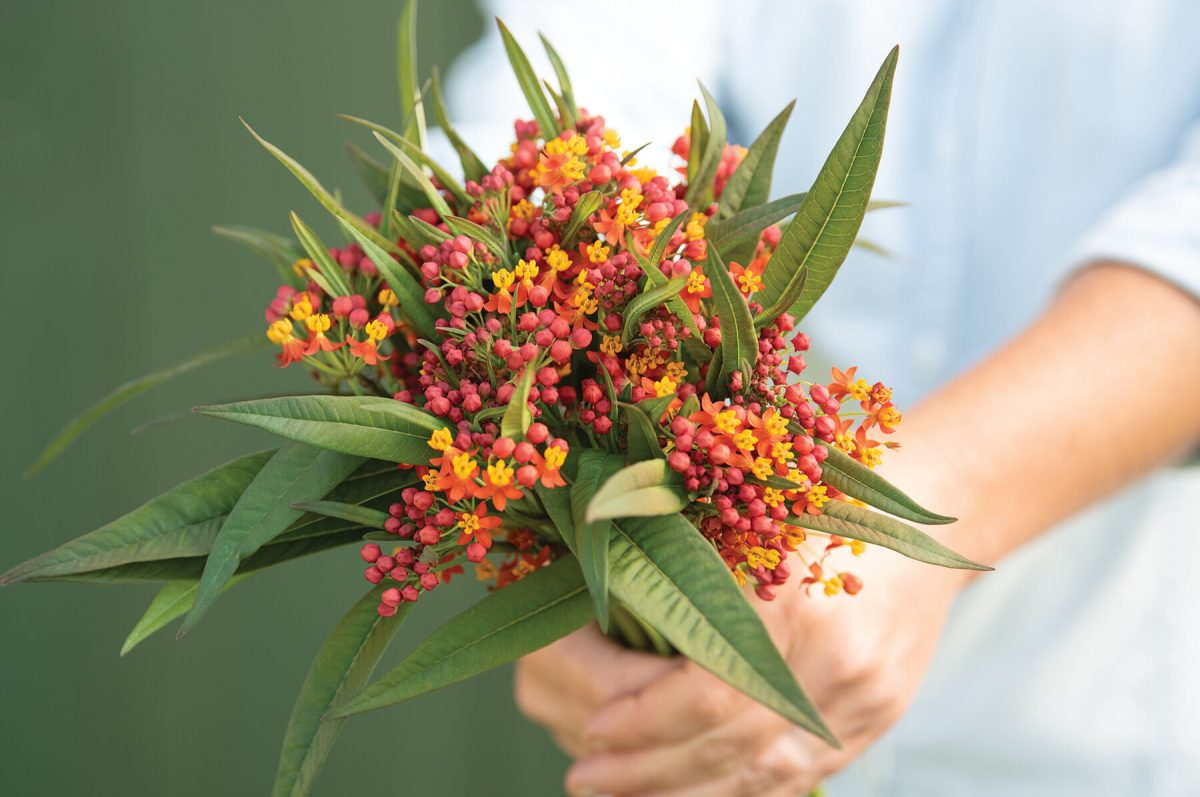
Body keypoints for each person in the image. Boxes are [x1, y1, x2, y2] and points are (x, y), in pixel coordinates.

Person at [440, 1, 1200, 794]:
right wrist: (568, 553)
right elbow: (578, 78)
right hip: (713, 625)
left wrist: (917, 501)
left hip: (1107, 717)